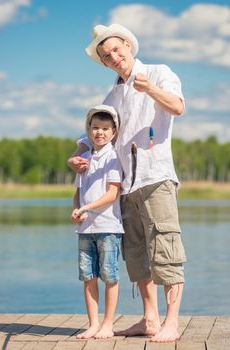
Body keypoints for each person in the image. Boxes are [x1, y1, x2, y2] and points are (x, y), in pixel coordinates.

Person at [68, 23, 186, 343]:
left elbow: (177, 106)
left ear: (129, 47)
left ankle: (171, 322)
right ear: (104, 62)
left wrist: (149, 89)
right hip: (125, 187)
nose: (114, 57)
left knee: (166, 248)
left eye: (117, 50)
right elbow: (92, 132)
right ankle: (150, 319)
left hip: (155, 176)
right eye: (107, 56)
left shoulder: (159, 73)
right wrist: (78, 155)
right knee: (136, 256)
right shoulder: (112, 94)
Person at [70, 104, 124, 339]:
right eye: (95, 128)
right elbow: (77, 192)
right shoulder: (83, 158)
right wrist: (76, 210)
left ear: (113, 131)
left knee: (109, 277)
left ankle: (107, 324)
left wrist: (87, 208)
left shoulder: (113, 157)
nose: (99, 132)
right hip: (85, 229)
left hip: (108, 227)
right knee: (88, 277)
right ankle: (92, 324)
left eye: (104, 128)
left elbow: (113, 193)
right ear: (89, 130)